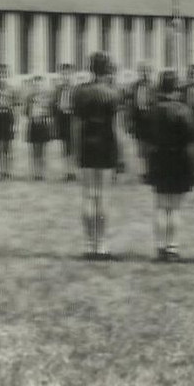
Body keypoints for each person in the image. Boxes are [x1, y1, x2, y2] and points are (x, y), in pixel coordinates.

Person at [72, 55, 121, 259]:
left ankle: (88, 243)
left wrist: (75, 151)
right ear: (107, 70)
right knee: (103, 196)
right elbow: (116, 126)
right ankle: (101, 244)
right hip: (106, 145)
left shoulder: (80, 92)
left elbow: (75, 125)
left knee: (88, 196)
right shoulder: (112, 93)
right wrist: (120, 154)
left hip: (86, 145)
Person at [147, 70, 194, 260]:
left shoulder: (153, 109)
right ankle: (172, 246)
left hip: (159, 158)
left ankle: (160, 246)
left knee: (161, 205)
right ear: (176, 87)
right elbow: (191, 139)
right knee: (174, 207)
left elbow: (147, 137)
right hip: (179, 159)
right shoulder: (184, 110)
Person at [25, 74, 56, 180]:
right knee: (34, 150)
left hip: (43, 125)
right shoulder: (29, 97)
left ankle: (42, 173)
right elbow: (25, 112)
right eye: (36, 83)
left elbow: (51, 112)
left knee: (43, 151)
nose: (37, 86)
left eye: (40, 83)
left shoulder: (47, 97)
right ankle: (35, 172)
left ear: (43, 84)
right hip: (33, 124)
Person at [0, 66, 18, 179]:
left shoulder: (11, 90)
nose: (2, 78)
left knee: (8, 148)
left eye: (4, 75)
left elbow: (15, 106)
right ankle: (1, 171)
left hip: (8, 118)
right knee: (0, 147)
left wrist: (15, 124)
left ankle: (8, 171)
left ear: (7, 76)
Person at [130, 63, 156, 184]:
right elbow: (131, 105)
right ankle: (143, 173)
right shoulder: (135, 86)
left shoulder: (154, 86)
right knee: (140, 148)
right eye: (142, 71)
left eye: (147, 71)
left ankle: (151, 172)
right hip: (139, 120)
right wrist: (130, 121)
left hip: (151, 120)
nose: (145, 74)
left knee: (150, 147)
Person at [53, 65, 78, 180]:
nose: (66, 77)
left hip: (72, 119)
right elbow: (54, 105)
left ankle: (73, 171)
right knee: (64, 147)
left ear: (72, 75)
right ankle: (66, 171)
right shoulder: (58, 90)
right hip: (62, 119)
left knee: (73, 146)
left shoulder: (76, 89)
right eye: (63, 74)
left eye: (68, 74)